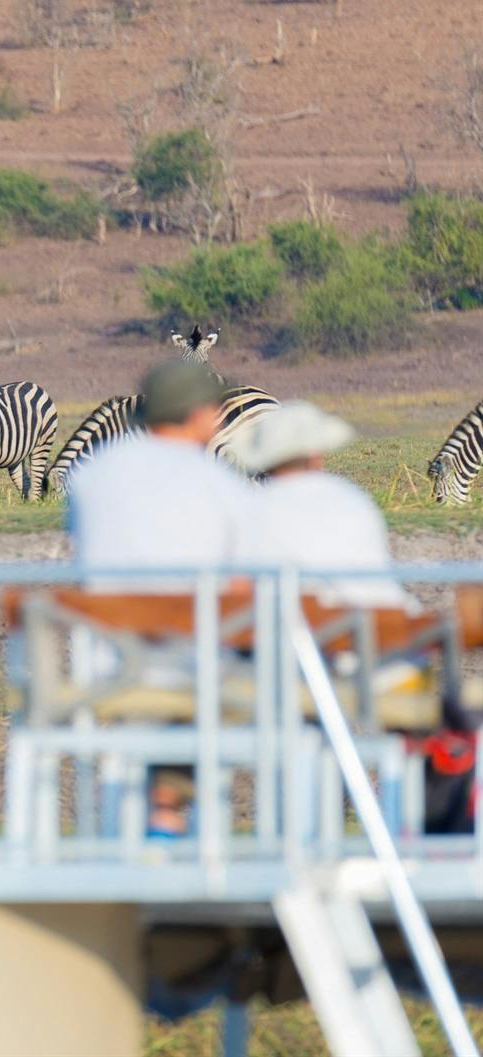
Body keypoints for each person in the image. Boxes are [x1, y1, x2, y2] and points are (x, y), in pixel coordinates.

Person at [66, 359, 253, 839]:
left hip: (103, 661)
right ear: (197, 413)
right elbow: (240, 585)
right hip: (186, 663)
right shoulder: (216, 481)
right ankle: (174, 814)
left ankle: (159, 812)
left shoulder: (93, 474)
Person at [67, 359, 252, 574]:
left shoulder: (93, 472)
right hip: (185, 594)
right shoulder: (213, 477)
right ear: (197, 413)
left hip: (104, 594)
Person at [226, 400, 409, 608]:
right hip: (370, 618)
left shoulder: (252, 509)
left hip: (292, 620)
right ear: (316, 456)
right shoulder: (353, 499)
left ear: (264, 459)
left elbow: (238, 585)